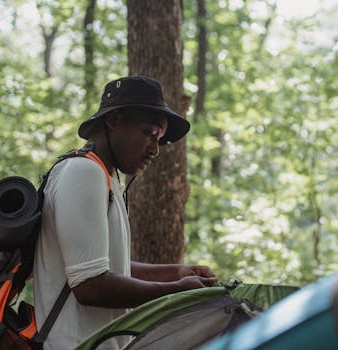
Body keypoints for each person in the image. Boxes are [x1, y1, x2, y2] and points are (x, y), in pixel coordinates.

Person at [33, 76, 217, 349]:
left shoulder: (105, 179)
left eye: (160, 140)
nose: (155, 150)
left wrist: (175, 272)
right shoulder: (83, 172)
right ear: (114, 121)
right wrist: (178, 291)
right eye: (149, 133)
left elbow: (107, 269)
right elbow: (90, 286)